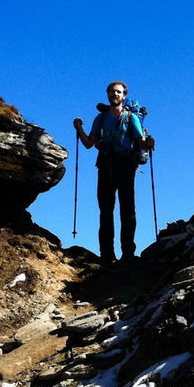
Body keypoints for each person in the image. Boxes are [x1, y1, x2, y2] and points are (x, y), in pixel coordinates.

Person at [73, 81, 154, 265]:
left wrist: (147, 144)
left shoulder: (131, 118)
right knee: (106, 211)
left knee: (127, 210)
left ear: (124, 95)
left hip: (125, 164)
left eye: (118, 92)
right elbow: (88, 144)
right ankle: (107, 255)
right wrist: (79, 128)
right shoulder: (100, 119)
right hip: (105, 165)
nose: (115, 95)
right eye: (112, 92)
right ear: (108, 95)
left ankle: (127, 254)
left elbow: (139, 141)